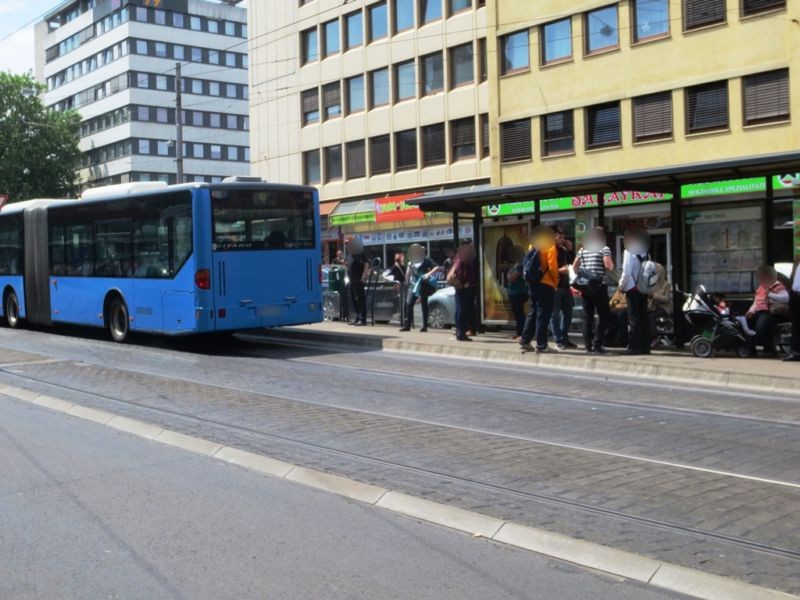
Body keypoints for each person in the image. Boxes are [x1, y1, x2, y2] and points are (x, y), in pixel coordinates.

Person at [573, 227, 614, 353]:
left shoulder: (583, 250)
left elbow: (575, 267)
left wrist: (583, 275)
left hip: (586, 287)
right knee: (603, 316)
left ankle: (587, 345)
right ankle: (598, 344)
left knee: (588, 316)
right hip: (599, 286)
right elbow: (609, 266)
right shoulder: (604, 248)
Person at [520, 226, 559, 353]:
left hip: (533, 283)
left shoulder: (533, 245)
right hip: (545, 284)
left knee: (533, 311)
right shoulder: (550, 246)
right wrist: (556, 282)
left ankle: (525, 341)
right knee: (543, 314)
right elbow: (552, 267)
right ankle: (542, 345)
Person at [619, 228, 652, 355]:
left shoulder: (629, 251)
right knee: (644, 316)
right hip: (643, 288)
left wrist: (621, 286)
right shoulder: (645, 251)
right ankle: (645, 346)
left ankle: (634, 346)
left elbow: (626, 272)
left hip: (632, 288)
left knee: (633, 318)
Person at [746, 264, 789, 357]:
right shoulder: (761, 286)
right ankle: (751, 349)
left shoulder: (777, 285)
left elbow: (786, 298)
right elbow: (756, 301)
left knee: (761, 327)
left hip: (771, 312)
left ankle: (769, 349)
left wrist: (770, 294)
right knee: (746, 324)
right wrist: (751, 311)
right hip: (759, 312)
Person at [400, 244, 438, 333]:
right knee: (409, 304)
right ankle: (407, 325)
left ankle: (424, 326)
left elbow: (436, 267)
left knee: (424, 305)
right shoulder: (412, 261)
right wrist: (407, 282)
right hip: (413, 285)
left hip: (423, 284)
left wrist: (429, 274)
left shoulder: (427, 260)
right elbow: (408, 273)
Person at [550, 226, 576, 350]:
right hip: (554, 287)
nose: (562, 240)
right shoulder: (549, 250)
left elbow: (572, 264)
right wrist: (559, 271)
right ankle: (558, 339)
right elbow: (547, 270)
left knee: (568, 312)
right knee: (554, 315)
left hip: (566, 286)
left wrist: (570, 250)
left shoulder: (564, 250)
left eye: (563, 237)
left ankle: (565, 337)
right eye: (559, 237)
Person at [451, 240, 477, 342]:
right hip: (464, 287)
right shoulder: (463, 257)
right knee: (462, 310)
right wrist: (465, 282)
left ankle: (460, 331)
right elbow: (461, 271)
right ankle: (461, 333)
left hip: (461, 287)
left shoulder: (459, 257)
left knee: (461, 309)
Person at [647, 263, 673, 349]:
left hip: (664, 308)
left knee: (651, 317)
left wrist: (655, 296)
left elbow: (667, 299)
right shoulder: (652, 284)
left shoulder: (667, 285)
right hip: (654, 307)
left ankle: (655, 338)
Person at [346, 237, 369, 326]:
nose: (347, 246)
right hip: (351, 280)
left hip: (358, 279)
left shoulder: (360, 253)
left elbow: (366, 264)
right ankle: (357, 317)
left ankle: (363, 319)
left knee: (360, 300)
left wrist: (364, 276)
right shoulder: (349, 255)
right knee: (354, 300)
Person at [506, 246, 527, 340]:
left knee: (519, 314)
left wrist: (509, 275)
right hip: (514, 293)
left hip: (518, 293)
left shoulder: (520, 265)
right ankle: (519, 333)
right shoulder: (516, 264)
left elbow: (512, 278)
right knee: (518, 314)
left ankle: (522, 333)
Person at [784, 256, 800, 361]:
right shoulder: (798, 262)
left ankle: (796, 351)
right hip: (795, 296)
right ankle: (796, 351)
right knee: (796, 325)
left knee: (797, 325)